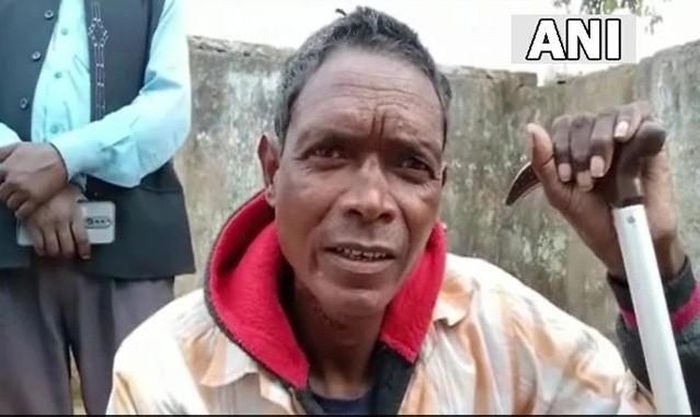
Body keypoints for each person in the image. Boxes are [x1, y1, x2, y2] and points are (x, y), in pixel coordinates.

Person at [106, 7, 699, 414]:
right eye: (329, 153)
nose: (370, 201)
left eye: (410, 164)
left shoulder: (502, 328)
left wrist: (652, 268)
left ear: (439, 187)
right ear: (271, 172)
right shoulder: (170, 374)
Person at [0, 0, 194, 414]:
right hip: (7, 245)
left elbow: (169, 108)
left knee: (144, 400)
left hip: (130, 245)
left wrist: (63, 158)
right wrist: (15, 165)